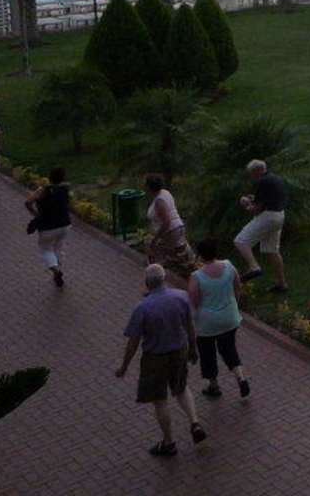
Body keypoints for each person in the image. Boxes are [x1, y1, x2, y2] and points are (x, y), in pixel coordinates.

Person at [116, 263, 207, 457]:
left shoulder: (142, 308)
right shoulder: (181, 297)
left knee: (160, 400)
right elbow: (190, 326)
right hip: (179, 351)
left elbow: (133, 343)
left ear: (147, 283)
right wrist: (193, 348)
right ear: (164, 278)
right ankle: (195, 423)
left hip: (155, 358)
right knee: (181, 388)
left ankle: (169, 442)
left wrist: (124, 366)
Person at [188, 238, 250, 399]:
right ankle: (241, 378)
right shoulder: (229, 266)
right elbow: (237, 287)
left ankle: (213, 386)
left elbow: (194, 301)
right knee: (229, 349)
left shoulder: (197, 276)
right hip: (229, 318)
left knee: (207, 354)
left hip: (207, 323)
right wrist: (233, 305)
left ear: (200, 255)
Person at [233, 159, 287, 292]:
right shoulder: (276, 179)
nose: (252, 176)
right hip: (279, 215)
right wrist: (252, 199)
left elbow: (256, 209)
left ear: (257, 171)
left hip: (268, 217)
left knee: (240, 241)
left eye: (252, 173)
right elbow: (266, 199)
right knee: (272, 250)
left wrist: (246, 204)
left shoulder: (262, 181)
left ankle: (254, 267)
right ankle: (282, 284)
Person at [25, 166, 72, 288]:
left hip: (47, 227)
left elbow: (28, 202)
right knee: (58, 247)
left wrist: (36, 214)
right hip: (65, 224)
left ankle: (56, 271)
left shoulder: (43, 190)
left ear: (49, 177)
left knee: (45, 249)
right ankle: (58, 269)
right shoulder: (65, 189)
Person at [144, 175, 197, 278]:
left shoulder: (159, 201)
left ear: (149, 187)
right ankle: (188, 271)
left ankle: (156, 274)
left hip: (171, 232)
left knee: (165, 253)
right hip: (178, 227)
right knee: (181, 254)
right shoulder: (165, 193)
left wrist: (156, 238)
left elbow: (166, 222)